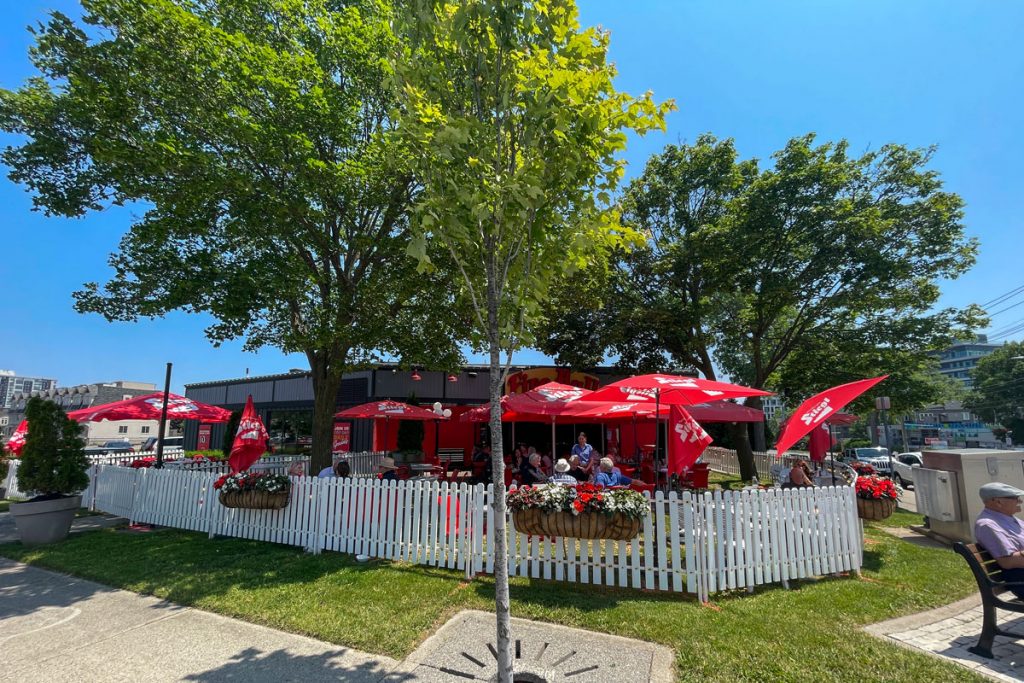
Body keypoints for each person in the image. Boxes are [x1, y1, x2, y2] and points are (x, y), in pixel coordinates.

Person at [974, 482, 1024, 599]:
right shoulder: (988, 525)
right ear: (998, 502)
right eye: (1015, 498)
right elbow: (1008, 562)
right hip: (1020, 581)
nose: (1020, 501)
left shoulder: (1010, 519)